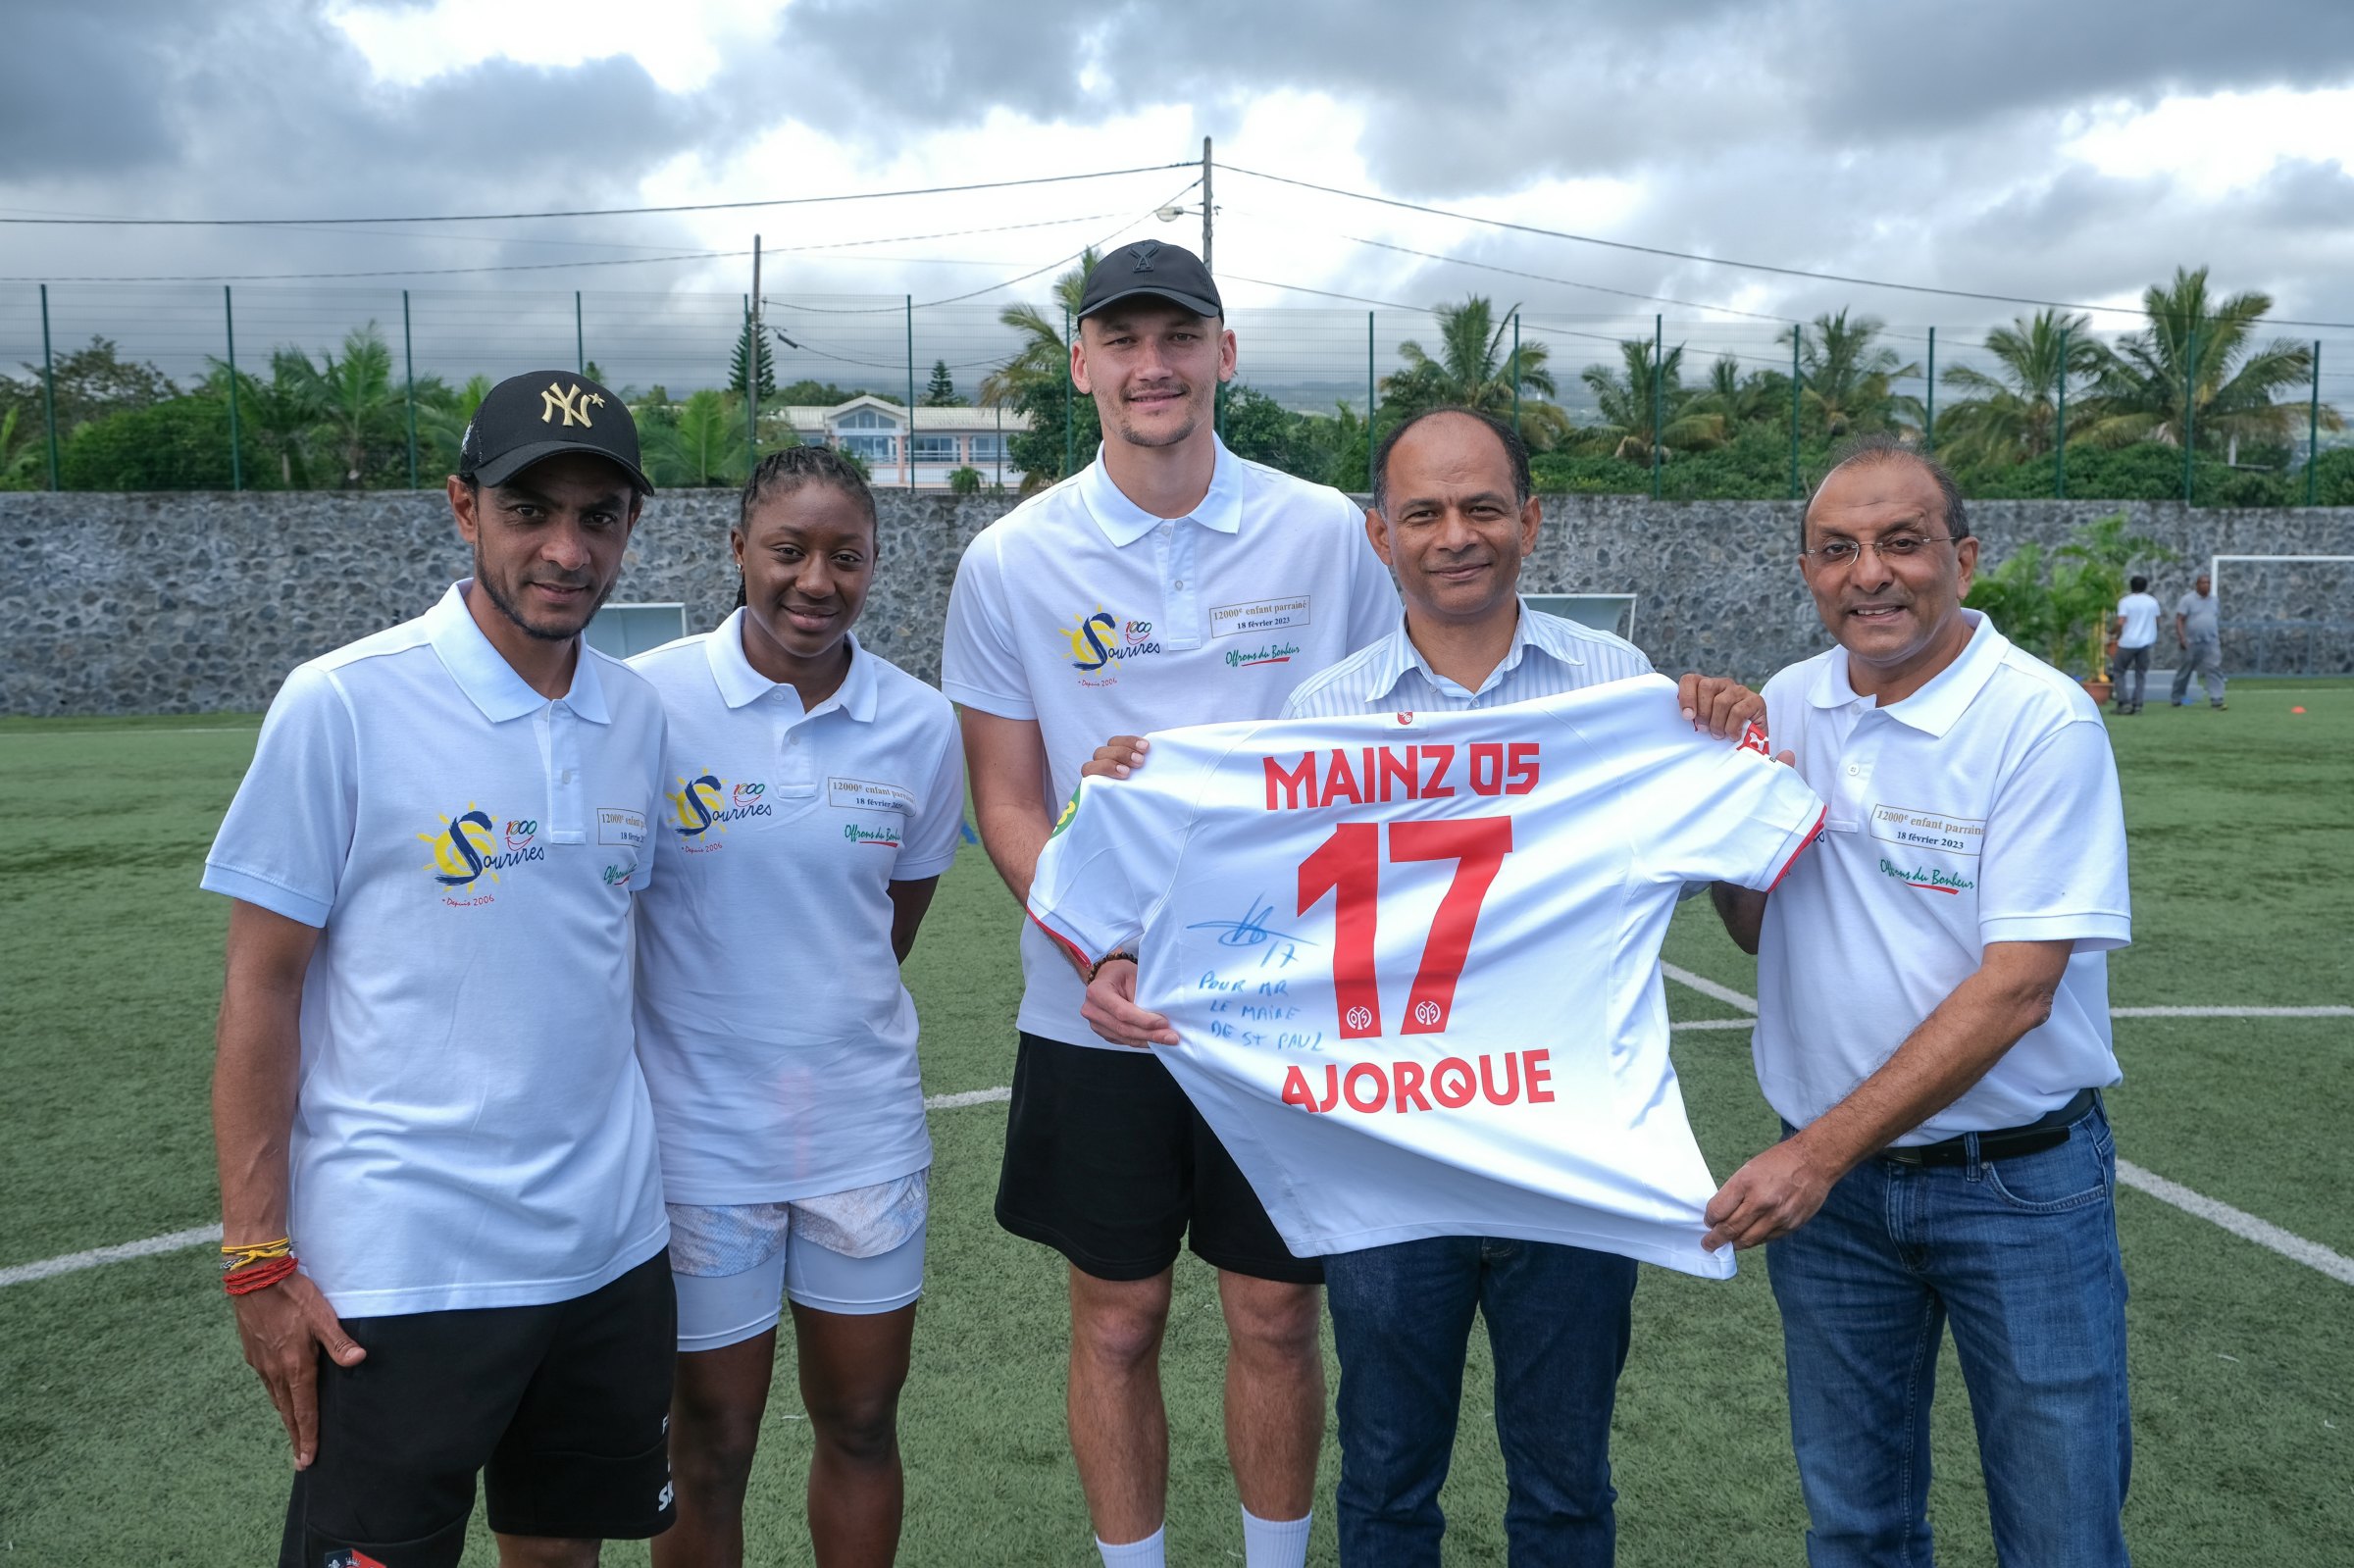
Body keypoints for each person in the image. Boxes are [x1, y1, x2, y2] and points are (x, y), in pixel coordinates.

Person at [1079, 407, 1767, 1567]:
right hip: (1392, 1162)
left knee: (1565, 1486)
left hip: (1567, 1155)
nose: (1456, 535)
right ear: (1379, 535)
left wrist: (1731, 744)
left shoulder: (1627, 692)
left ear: (1531, 522)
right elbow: (1254, 911)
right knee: (1389, 1483)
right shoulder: (1322, 715)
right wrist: (1134, 805)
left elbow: (1735, 891)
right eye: (1425, 513)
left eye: (1483, 508)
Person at [940, 241, 1400, 1568]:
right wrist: (1098, 944)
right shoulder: (1012, 559)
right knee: (1119, 1316)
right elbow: (1007, 798)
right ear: (1081, 363)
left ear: (1224, 354)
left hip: (1284, 1008)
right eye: (1125, 340)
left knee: (1276, 1315)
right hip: (1098, 1005)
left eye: (1180, 336)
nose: (1155, 365)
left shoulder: (1326, 532)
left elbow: (1384, 749)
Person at [204, 372, 677, 1568]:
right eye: (529, 510)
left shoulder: (638, 717)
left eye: (599, 516)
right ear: (464, 508)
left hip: (607, 1252)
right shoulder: (342, 702)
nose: (566, 549)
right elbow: (262, 985)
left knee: (561, 1552)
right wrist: (256, 1254)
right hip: (404, 1265)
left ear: (630, 525)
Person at [1705, 436, 2133, 1567]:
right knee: (1857, 1529)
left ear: (1964, 558)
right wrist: (1733, 824)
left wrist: (1816, 1155)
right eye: (1837, 549)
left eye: (1902, 542)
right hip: (1838, 1207)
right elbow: (1758, 926)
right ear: (1808, 570)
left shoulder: (2039, 720)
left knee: (2060, 1536)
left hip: (2015, 1188)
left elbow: (2019, 989)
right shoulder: (1789, 703)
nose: (1870, 575)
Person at [628, 446, 962, 1568]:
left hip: (861, 1135)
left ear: (874, 565)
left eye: (846, 557)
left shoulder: (919, 723)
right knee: (709, 1443)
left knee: (861, 1423)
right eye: (789, 550)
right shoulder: (648, 701)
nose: (817, 581)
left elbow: (889, 926)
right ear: (738, 550)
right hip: (699, 1142)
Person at [2171, 571, 2226, 708]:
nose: (2206, 585)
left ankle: (2216, 697)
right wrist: (2182, 638)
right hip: (2191, 641)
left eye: (2208, 583)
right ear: (2197, 585)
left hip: (2211, 641)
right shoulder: (2187, 600)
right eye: (2203, 583)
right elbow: (2179, 619)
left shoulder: (2214, 600)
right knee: (2185, 670)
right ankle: (2177, 697)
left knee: (2214, 668)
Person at [2111, 574, 2161, 714]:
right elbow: (2157, 621)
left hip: (2128, 642)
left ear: (2131, 586)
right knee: (2140, 674)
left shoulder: (2125, 602)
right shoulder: (2152, 602)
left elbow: (2121, 622)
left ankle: (2123, 702)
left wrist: (2114, 633)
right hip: (2145, 643)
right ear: (2145, 586)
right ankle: (2137, 703)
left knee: (2118, 671)